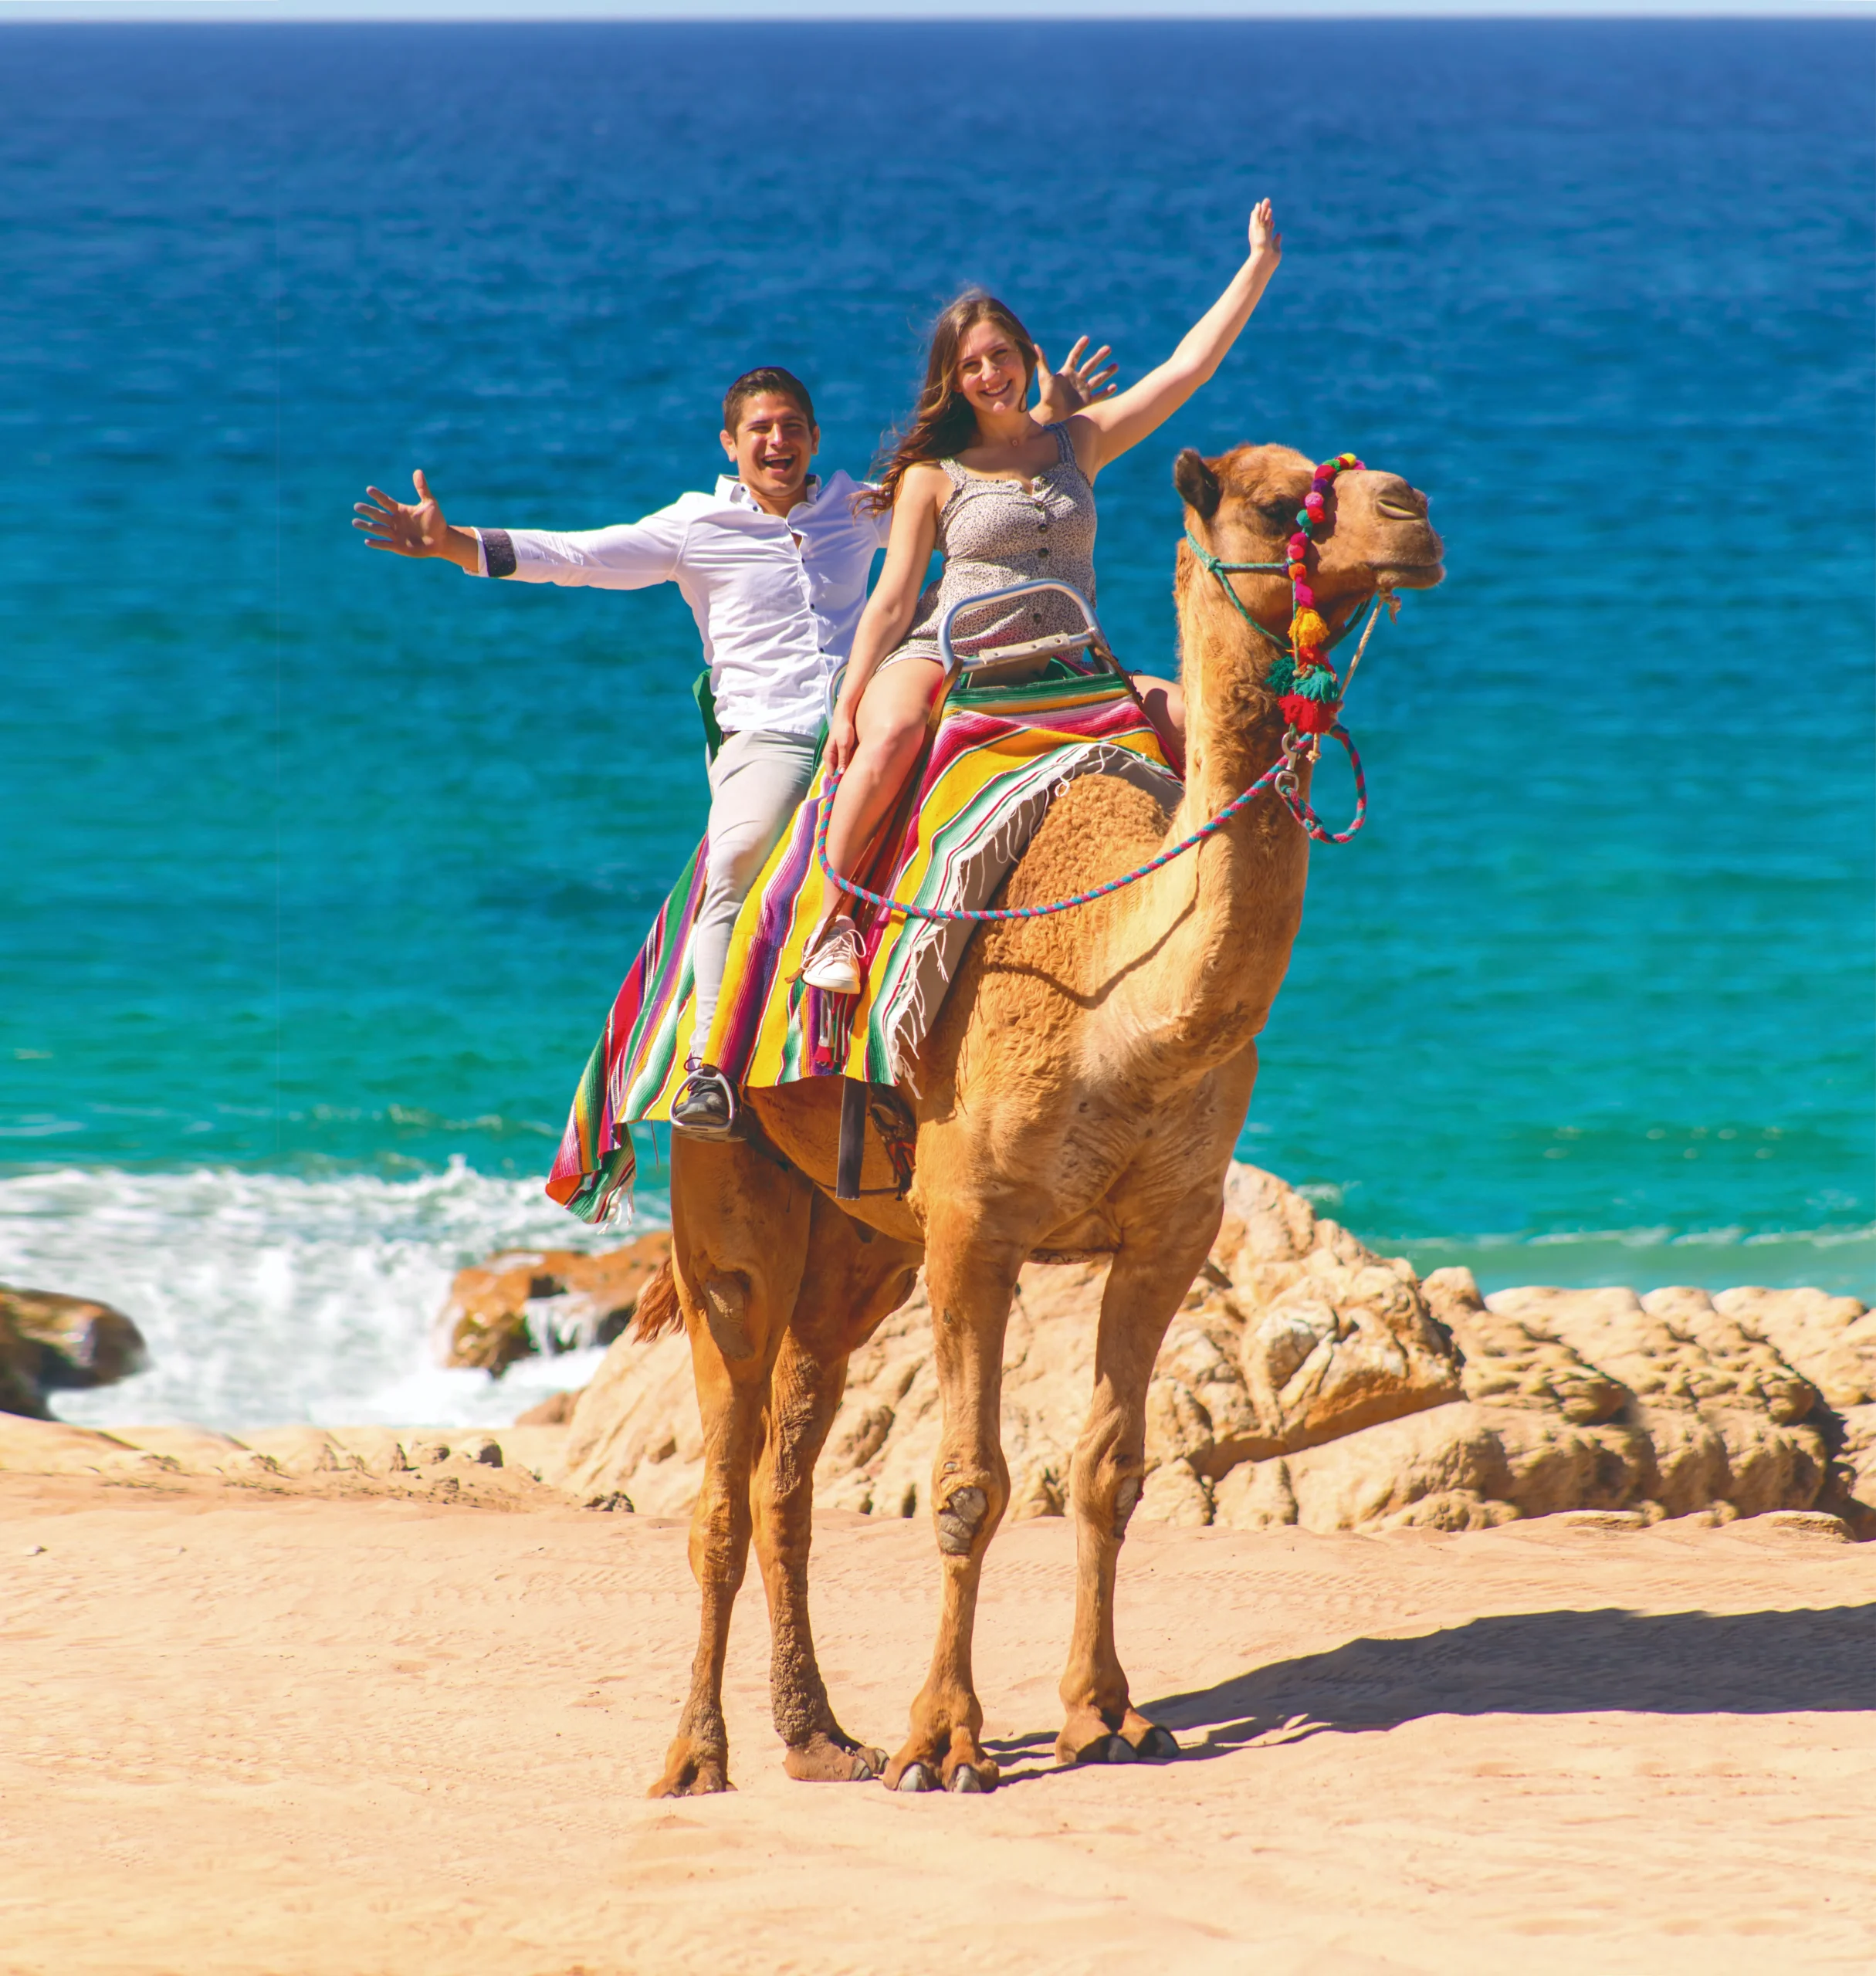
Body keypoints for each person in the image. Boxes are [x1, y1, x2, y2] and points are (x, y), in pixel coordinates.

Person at [353, 355, 1116, 1137]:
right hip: (776, 737)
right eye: (760, 430)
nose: (777, 441)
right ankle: (706, 1070)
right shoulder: (695, 528)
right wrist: (451, 542)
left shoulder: (861, 507)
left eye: (792, 427)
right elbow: (579, 559)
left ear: (816, 438)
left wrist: (1038, 426)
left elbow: (979, 505)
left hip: (881, 712)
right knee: (737, 851)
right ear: (729, 444)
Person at [801, 199, 1284, 996]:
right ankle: (831, 919)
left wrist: (1257, 266)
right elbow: (893, 604)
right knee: (887, 741)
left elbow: (1183, 372)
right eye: (972, 366)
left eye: (1001, 356)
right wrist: (850, 697)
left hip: (1066, 659)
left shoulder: (1078, 442)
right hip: (950, 652)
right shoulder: (933, 474)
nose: (990, 375)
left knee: (1205, 727)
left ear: (1029, 356)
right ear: (953, 383)